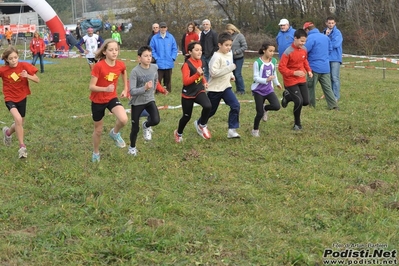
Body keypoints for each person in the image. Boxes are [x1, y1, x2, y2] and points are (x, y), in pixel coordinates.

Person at [89, 39, 129, 162]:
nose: (114, 52)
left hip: (111, 97)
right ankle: (96, 152)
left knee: (123, 119)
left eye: (116, 50)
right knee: (98, 130)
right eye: (111, 50)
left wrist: (125, 89)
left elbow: (123, 73)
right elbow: (91, 87)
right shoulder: (99, 66)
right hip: (97, 100)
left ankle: (114, 133)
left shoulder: (120, 65)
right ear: (105, 52)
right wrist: (105, 88)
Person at [0, 46, 40, 159]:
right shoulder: (3, 70)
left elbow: (37, 79)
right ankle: (22, 147)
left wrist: (27, 76)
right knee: (17, 119)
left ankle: (8, 133)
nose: (14, 60)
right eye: (11, 58)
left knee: (20, 123)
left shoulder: (24, 66)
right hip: (10, 98)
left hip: (22, 97)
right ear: (6, 59)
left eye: (15, 57)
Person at [199, 32, 240, 138]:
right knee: (211, 112)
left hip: (226, 87)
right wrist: (229, 69)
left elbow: (228, 65)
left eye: (230, 45)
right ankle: (200, 123)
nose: (228, 47)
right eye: (226, 45)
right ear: (219, 45)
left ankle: (232, 130)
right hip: (215, 89)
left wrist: (231, 74)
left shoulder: (229, 54)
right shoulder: (216, 57)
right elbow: (214, 73)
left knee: (235, 105)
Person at [174, 42, 212, 143]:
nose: (199, 52)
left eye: (200, 50)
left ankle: (202, 125)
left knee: (208, 106)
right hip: (188, 94)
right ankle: (178, 133)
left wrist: (204, 82)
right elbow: (186, 82)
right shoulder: (187, 65)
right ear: (190, 52)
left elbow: (202, 74)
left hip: (199, 90)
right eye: (196, 50)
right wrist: (196, 74)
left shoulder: (201, 62)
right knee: (186, 117)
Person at [128, 45, 161, 156]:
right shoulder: (135, 72)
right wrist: (145, 88)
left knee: (156, 120)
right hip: (137, 102)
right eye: (145, 56)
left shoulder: (154, 67)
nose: (148, 58)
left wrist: (153, 90)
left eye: (150, 56)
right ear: (139, 58)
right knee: (135, 128)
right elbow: (132, 91)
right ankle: (132, 148)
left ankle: (146, 125)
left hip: (149, 100)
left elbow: (156, 80)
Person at [278, 29, 313, 131]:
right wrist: (294, 73)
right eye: (301, 41)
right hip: (290, 80)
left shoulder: (304, 49)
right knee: (299, 101)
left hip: (301, 79)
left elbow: (304, 60)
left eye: (305, 41)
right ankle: (297, 124)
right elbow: (281, 68)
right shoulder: (288, 52)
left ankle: (287, 96)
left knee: (306, 101)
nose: (303, 43)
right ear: (295, 39)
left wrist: (309, 70)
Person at [303, 22, 339, 110]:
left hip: (314, 67)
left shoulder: (310, 38)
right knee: (327, 88)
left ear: (307, 30)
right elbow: (330, 50)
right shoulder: (325, 37)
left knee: (310, 87)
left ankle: (311, 105)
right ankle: (333, 106)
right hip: (325, 67)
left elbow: (305, 50)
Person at [250, 42, 282, 137]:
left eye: (273, 51)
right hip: (258, 90)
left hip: (269, 89)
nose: (272, 53)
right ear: (264, 50)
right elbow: (255, 78)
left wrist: (277, 83)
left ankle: (266, 108)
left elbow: (274, 74)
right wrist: (266, 80)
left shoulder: (274, 61)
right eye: (270, 51)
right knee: (259, 113)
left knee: (276, 106)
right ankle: (255, 130)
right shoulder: (257, 62)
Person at [149, 22, 178, 93]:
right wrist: (156, 58)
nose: (163, 29)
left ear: (166, 28)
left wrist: (173, 57)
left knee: (168, 79)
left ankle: (167, 90)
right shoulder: (154, 38)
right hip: (159, 63)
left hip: (169, 62)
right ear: (159, 28)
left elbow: (175, 48)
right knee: (158, 78)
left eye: (164, 27)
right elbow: (151, 49)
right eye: (161, 27)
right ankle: (157, 91)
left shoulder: (171, 37)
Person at [324, 16, 343, 102]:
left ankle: (336, 96)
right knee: (329, 78)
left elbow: (335, 44)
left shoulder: (337, 33)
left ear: (335, 23)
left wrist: (327, 39)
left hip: (335, 58)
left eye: (332, 23)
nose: (331, 25)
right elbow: (322, 43)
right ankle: (330, 95)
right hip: (327, 58)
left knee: (335, 77)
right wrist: (326, 36)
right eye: (329, 23)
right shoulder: (324, 32)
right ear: (326, 23)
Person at [226, 23, 248, 95]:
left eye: (229, 31)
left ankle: (241, 90)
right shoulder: (228, 37)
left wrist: (236, 52)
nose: (228, 32)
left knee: (238, 74)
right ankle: (238, 89)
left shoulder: (240, 36)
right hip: (231, 58)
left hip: (239, 58)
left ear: (233, 29)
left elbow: (244, 46)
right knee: (234, 74)